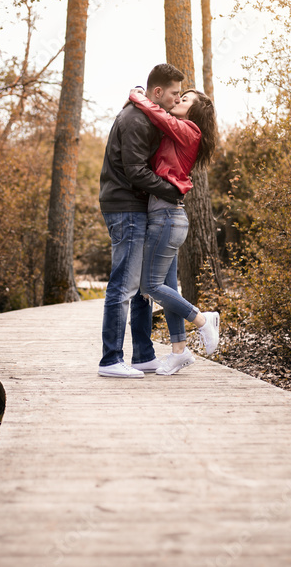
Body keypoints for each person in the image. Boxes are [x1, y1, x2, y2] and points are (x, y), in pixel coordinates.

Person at [97, 63, 187, 378]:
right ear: (158, 92)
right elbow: (135, 171)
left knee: (140, 288)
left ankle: (144, 356)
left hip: (135, 205)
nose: (177, 100)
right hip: (125, 206)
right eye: (174, 94)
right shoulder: (135, 120)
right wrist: (173, 191)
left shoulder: (143, 115)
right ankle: (110, 360)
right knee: (124, 284)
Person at [127, 86, 220, 375]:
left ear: (195, 111)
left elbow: (158, 115)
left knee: (149, 287)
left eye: (186, 98)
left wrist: (137, 95)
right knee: (166, 287)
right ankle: (179, 351)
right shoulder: (181, 131)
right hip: (166, 216)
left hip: (166, 218)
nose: (179, 100)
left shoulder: (189, 129)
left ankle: (203, 320)